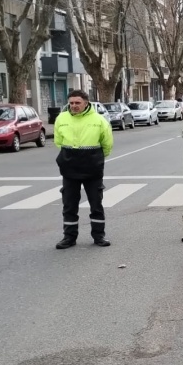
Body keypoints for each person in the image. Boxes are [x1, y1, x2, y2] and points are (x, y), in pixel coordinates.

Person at [53, 89, 113, 249]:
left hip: (92, 168)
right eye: (71, 103)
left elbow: (107, 144)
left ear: (86, 103)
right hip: (70, 167)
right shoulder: (62, 118)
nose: (74, 106)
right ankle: (69, 237)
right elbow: (58, 141)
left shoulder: (98, 120)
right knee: (69, 205)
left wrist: (95, 157)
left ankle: (99, 236)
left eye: (77, 103)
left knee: (96, 203)